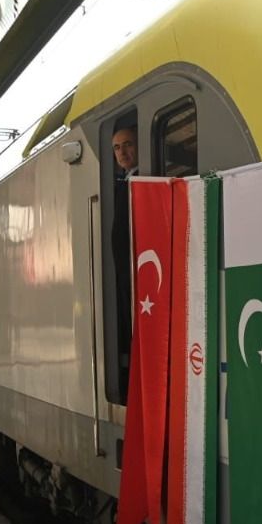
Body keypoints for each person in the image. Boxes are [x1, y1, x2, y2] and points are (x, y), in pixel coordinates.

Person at [111, 125, 138, 399]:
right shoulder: (122, 183)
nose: (123, 152)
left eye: (128, 144)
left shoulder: (140, 182)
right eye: (117, 147)